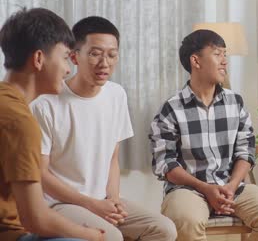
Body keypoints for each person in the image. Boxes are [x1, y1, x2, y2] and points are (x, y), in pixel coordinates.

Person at [30, 16, 177, 241]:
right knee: (111, 237)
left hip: (102, 199)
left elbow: (112, 158)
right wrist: (92, 204)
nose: (104, 63)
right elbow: (40, 174)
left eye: (111, 54)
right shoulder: (45, 104)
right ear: (74, 56)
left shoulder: (116, 94)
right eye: (95, 53)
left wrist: (114, 199)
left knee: (164, 229)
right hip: (60, 204)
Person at [150, 29, 258, 241]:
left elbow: (245, 151)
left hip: (233, 186)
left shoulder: (235, 102)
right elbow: (165, 164)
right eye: (217, 54)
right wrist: (206, 188)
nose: (224, 61)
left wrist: (231, 186)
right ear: (196, 61)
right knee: (186, 220)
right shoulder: (171, 109)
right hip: (188, 190)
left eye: (225, 54)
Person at [0, 8, 104, 241]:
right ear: (38, 59)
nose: (69, 69)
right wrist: (91, 235)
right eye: (66, 57)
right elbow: (35, 218)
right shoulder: (20, 121)